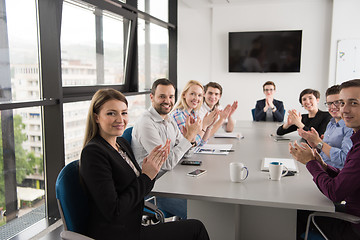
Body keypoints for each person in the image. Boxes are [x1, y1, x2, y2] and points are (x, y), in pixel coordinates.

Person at [79, 88, 210, 240]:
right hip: (119, 233)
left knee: (195, 226)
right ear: (96, 117)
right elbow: (115, 211)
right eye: (111, 113)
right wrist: (146, 176)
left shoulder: (120, 144)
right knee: (196, 228)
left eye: (124, 112)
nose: (120, 119)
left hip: (133, 225)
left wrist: (152, 170)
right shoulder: (94, 153)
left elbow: (138, 186)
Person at [289, 79, 360, 240]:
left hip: (353, 226)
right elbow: (347, 176)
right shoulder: (354, 137)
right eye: (342, 103)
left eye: (354, 103)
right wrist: (323, 166)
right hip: (350, 210)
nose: (344, 110)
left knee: (293, 213)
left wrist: (310, 163)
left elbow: (335, 192)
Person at [132, 78, 201, 219]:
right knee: (202, 213)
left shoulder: (169, 120)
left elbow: (188, 153)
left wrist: (190, 138)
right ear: (152, 97)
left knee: (206, 200)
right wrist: (188, 138)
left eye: (171, 97)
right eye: (162, 96)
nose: (168, 101)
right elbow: (166, 164)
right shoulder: (146, 123)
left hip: (174, 181)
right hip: (157, 189)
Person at [297, 85, 353, 169]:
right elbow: (324, 151)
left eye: (337, 102)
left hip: (334, 173)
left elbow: (344, 159)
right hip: (321, 167)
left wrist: (319, 142)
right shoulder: (331, 124)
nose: (333, 107)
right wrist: (316, 146)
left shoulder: (351, 128)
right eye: (329, 103)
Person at [171, 80, 218, 146]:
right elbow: (191, 145)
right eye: (192, 94)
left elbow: (201, 143)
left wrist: (209, 126)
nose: (196, 98)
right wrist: (204, 125)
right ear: (184, 94)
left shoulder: (193, 114)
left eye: (199, 95)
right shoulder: (178, 115)